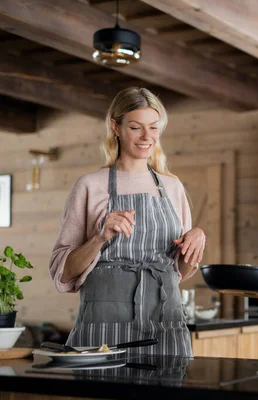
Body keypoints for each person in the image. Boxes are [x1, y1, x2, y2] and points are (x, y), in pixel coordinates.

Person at [49, 87, 206, 356]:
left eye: (154, 128)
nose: (148, 137)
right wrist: (99, 238)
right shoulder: (89, 186)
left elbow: (178, 271)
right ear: (116, 127)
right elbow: (62, 273)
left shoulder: (171, 187)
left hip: (164, 326)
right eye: (136, 127)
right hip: (102, 329)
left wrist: (197, 239)